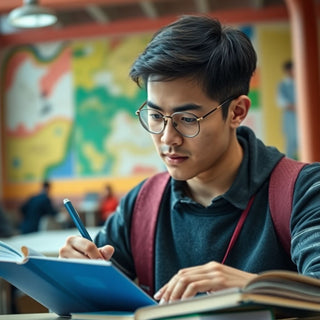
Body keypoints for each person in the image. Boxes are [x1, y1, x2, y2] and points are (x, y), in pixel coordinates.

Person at [59, 15, 320, 304]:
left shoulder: (303, 191)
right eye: (156, 116)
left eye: (187, 119)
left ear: (237, 112)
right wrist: (72, 279)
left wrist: (255, 288)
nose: (168, 138)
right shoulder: (143, 203)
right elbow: (92, 301)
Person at [276, 60, 298, 159]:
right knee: (291, 142)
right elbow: (280, 101)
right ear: (288, 71)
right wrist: (294, 107)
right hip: (290, 117)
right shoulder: (283, 85)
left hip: (301, 116)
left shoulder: (300, 82)